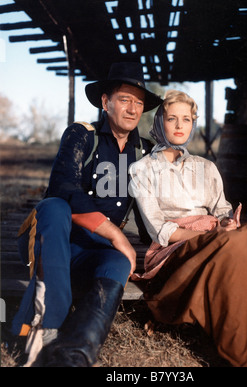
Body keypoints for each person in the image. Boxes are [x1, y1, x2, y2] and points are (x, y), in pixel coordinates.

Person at [129, 90, 247, 367]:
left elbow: (221, 209)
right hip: (176, 247)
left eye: (186, 119)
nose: (180, 125)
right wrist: (211, 236)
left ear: (193, 123)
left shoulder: (206, 167)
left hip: (216, 238)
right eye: (172, 118)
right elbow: (160, 231)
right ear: (160, 122)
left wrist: (226, 223)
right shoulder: (142, 169)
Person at [11, 62, 162, 367]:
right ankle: (49, 327)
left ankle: (75, 354)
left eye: (139, 102)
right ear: (106, 102)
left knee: (119, 260)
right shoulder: (83, 135)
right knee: (53, 206)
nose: (132, 109)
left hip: (95, 250)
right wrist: (116, 233)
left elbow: (154, 211)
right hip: (53, 238)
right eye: (124, 99)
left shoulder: (146, 151)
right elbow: (62, 187)